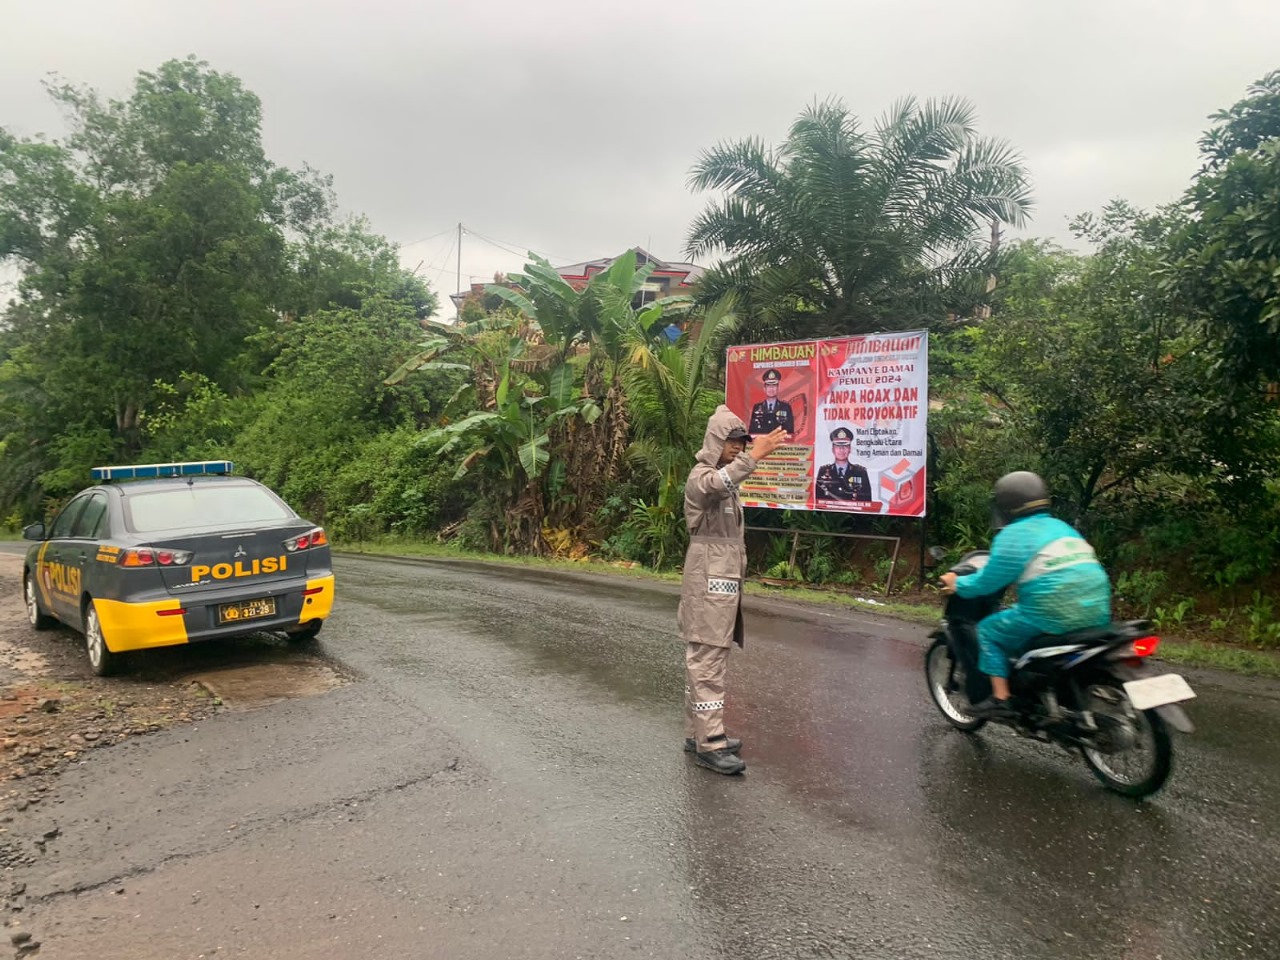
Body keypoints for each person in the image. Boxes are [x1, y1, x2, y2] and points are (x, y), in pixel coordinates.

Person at [939, 471, 1112, 718]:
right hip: (1097, 608)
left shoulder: (1013, 535)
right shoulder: (1060, 526)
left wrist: (957, 584)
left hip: (1051, 612)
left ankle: (1000, 699)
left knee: (989, 630)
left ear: (1007, 506)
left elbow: (987, 582)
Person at [678, 405, 788, 774]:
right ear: (714, 441)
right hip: (708, 586)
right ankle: (710, 743)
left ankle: (699, 733)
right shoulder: (702, 477)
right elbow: (715, 484)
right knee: (708, 661)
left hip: (720, 587)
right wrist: (754, 457)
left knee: (712, 657)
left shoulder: (726, 480)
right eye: (733, 442)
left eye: (743, 443)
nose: (739, 448)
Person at [814, 427, 873, 501]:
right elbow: (818, 500)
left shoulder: (860, 472)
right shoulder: (823, 471)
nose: (841, 449)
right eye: (838, 446)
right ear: (833, 449)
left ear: (850, 449)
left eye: (845, 446)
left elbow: (867, 501)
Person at [748, 369, 795, 435]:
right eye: (769, 386)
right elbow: (752, 430)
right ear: (764, 388)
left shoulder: (785, 407)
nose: (771, 389)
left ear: (778, 388)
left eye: (774, 386)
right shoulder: (757, 407)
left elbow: (790, 430)